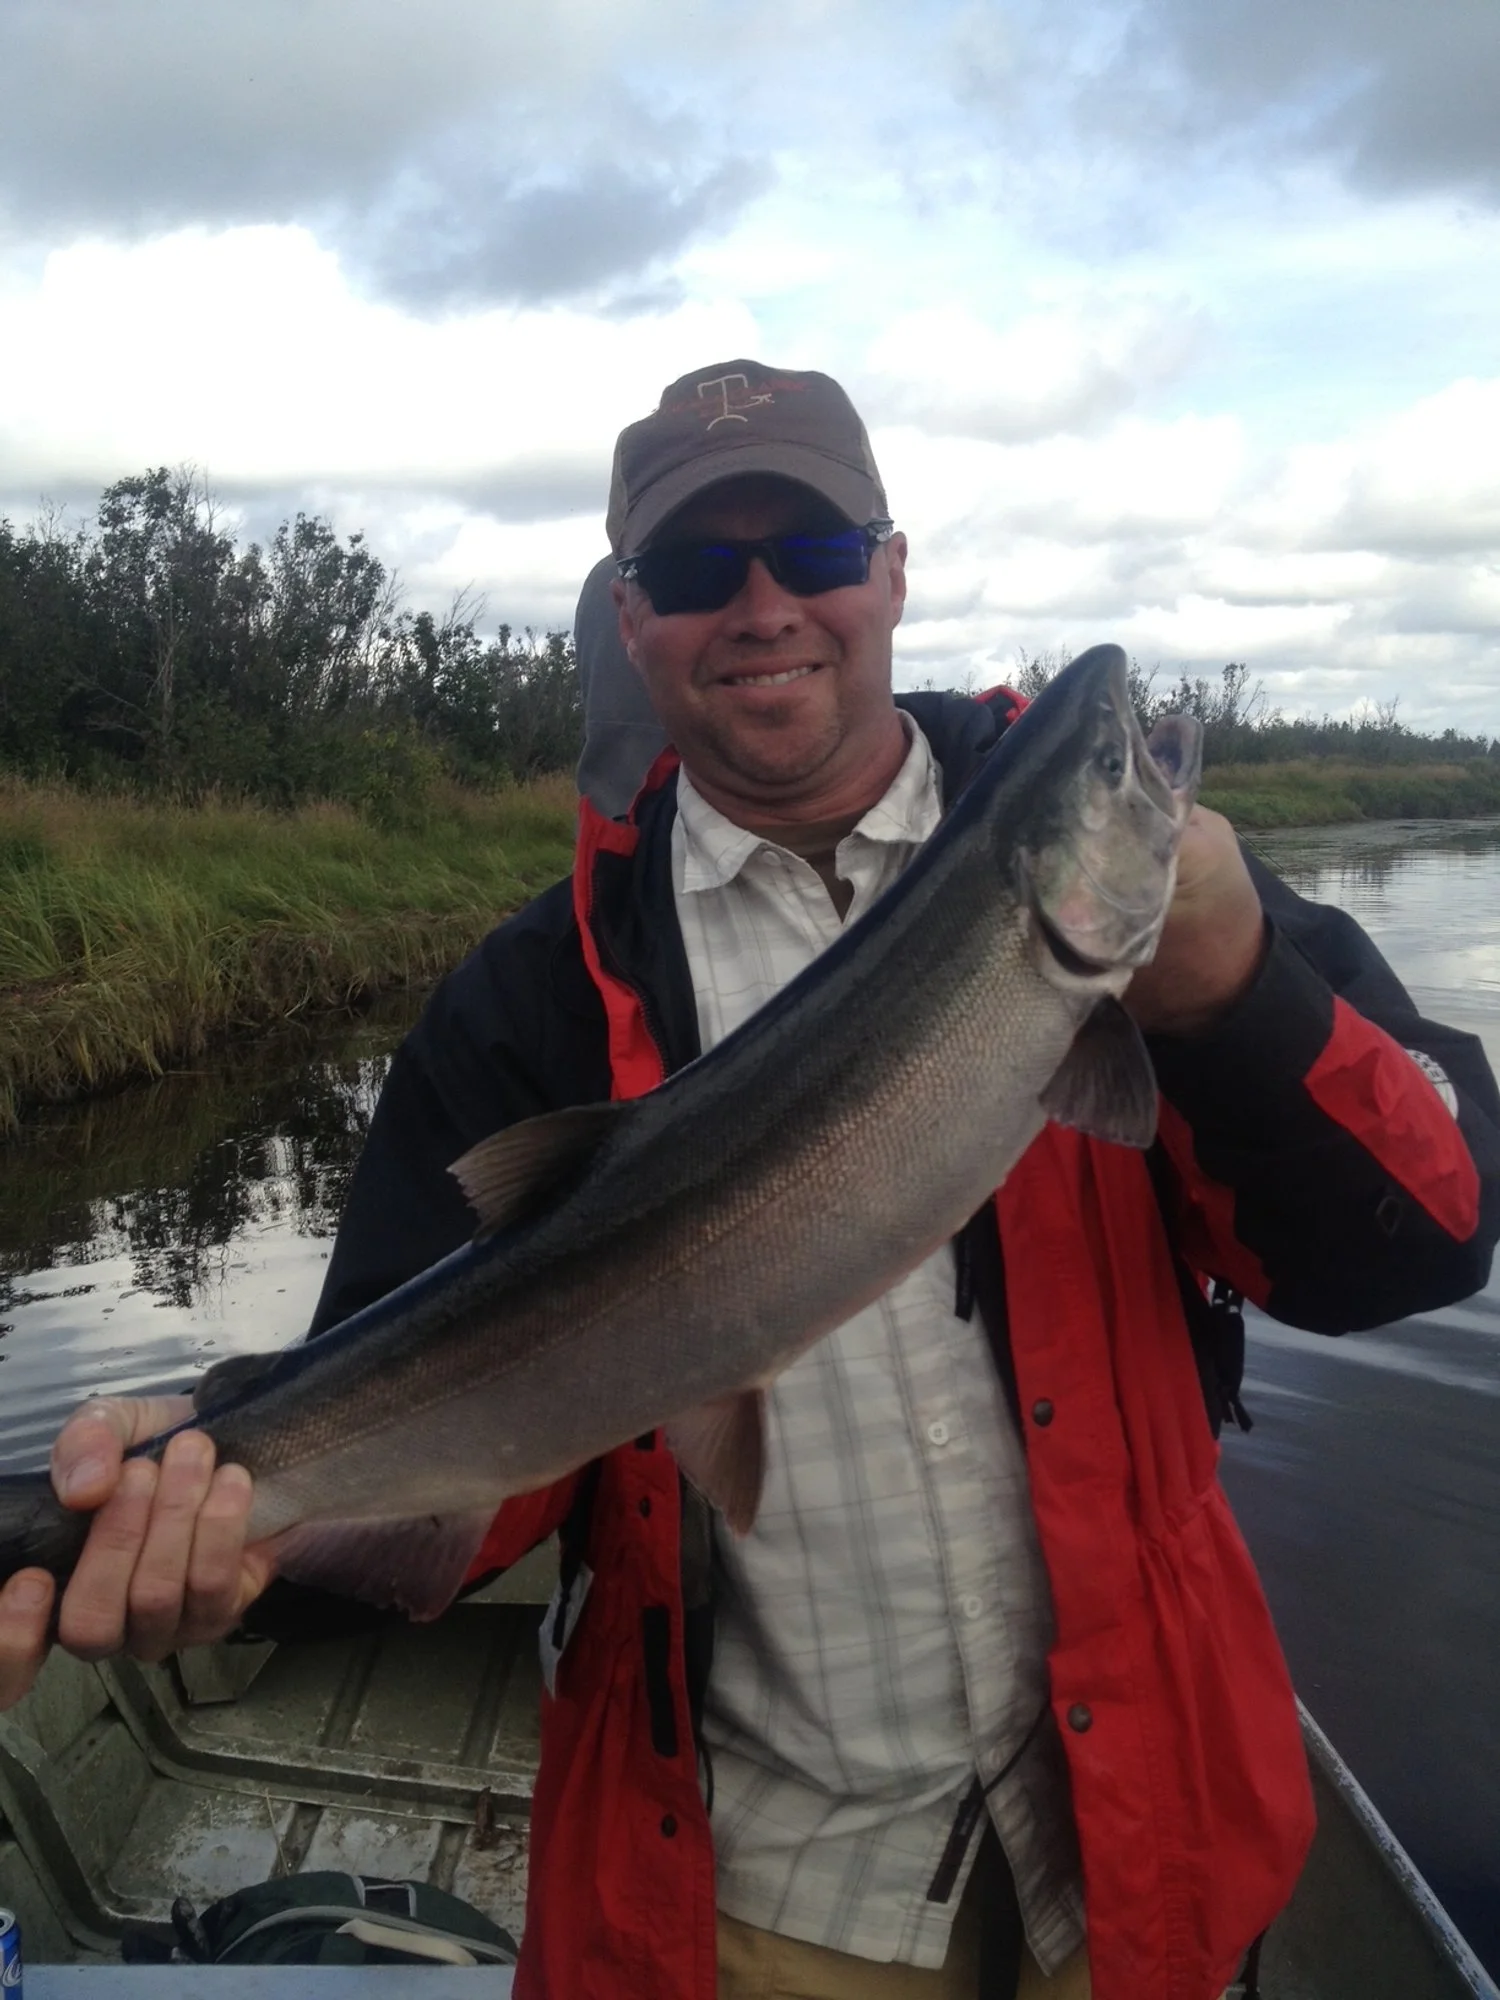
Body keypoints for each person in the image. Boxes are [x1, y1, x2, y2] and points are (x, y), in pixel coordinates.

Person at [2, 359, 1498, 2000]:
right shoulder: (532, 999)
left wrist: (1237, 995)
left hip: (1146, 1861)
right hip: (759, 1905)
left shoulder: (1171, 914)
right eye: (702, 572)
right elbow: (441, 1439)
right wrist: (225, 1530)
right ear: (632, 619)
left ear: (894, 571)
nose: (765, 605)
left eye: (817, 552)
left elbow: (1417, 1247)